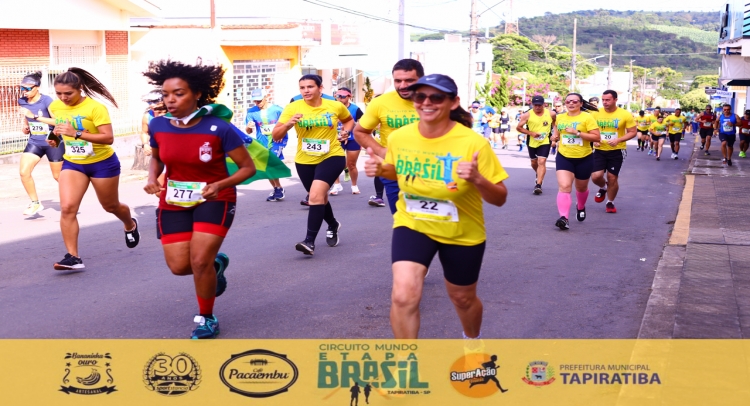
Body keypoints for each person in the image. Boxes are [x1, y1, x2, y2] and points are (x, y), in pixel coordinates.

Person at [364, 74, 508, 339]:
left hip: (462, 231)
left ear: (453, 103)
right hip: (413, 222)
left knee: (463, 298)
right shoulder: (400, 137)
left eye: (436, 97)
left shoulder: (474, 144)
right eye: (421, 96)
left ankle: (472, 342)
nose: (426, 102)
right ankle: (406, 366)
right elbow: (398, 170)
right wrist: (381, 168)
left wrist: (478, 179)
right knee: (403, 295)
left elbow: (499, 198)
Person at [143, 60, 256, 339]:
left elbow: (247, 168)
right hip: (173, 200)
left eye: (179, 93)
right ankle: (217, 265)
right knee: (179, 267)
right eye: (166, 94)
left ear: (196, 95)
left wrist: (220, 184)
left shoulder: (219, 128)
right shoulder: (158, 125)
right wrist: (151, 178)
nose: (170, 100)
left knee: (199, 262)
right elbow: (156, 157)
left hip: (215, 199)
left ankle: (206, 317)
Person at [34, 68, 140, 270]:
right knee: (67, 208)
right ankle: (73, 257)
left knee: (111, 206)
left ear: (80, 89)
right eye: (59, 93)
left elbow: (108, 138)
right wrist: (55, 138)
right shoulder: (56, 106)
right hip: (73, 162)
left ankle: (130, 224)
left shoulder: (95, 108)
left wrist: (77, 133)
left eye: (68, 94)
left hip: (102, 162)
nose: (63, 98)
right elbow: (60, 127)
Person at [273, 74, 354, 255]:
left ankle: (309, 241)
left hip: (332, 155)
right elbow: (276, 135)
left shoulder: (334, 105)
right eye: (302, 88)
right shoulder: (293, 107)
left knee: (315, 196)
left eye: (310, 87)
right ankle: (332, 224)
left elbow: (349, 120)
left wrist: (345, 132)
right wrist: (288, 125)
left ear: (320, 88)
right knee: (320, 198)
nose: (306, 91)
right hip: (304, 160)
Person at [353, 59, 424, 213]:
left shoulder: (435, 101)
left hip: (432, 169)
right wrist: (382, 152)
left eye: (409, 80)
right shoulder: (381, 102)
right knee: (401, 219)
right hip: (394, 170)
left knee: (431, 220)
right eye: (398, 81)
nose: (403, 85)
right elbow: (360, 131)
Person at [550, 93, 600, 230]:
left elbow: (596, 137)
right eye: (568, 101)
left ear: (581, 104)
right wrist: (554, 137)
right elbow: (557, 132)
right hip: (564, 156)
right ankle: (564, 218)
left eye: (574, 101)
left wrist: (577, 133)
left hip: (584, 157)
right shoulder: (560, 117)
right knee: (565, 186)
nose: (571, 103)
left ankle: (581, 206)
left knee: (581, 187)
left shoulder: (587, 117)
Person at [16, 71, 62, 216]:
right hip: (35, 141)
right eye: (22, 88)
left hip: (52, 141)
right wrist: (25, 125)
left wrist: (35, 117)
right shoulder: (22, 101)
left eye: (28, 89)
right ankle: (35, 203)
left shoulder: (47, 101)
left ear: (37, 88)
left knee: (58, 177)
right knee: (24, 172)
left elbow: (57, 122)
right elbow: (26, 116)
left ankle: (72, 197)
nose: (24, 91)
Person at [591, 90, 637, 214]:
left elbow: (633, 132)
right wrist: (594, 140)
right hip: (599, 149)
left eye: (608, 100)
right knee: (596, 176)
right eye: (603, 100)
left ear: (615, 100)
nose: (605, 102)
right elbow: (589, 129)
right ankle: (603, 187)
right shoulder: (595, 113)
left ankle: (610, 202)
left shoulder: (625, 114)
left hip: (617, 150)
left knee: (612, 177)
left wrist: (619, 140)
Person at [245, 88, 288, 202]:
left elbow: (286, 124)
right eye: (255, 101)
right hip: (262, 141)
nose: (257, 103)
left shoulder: (277, 110)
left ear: (266, 97)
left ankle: (278, 188)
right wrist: (249, 127)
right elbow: (248, 131)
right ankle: (276, 188)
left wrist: (282, 134)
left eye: (259, 100)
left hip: (278, 140)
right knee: (266, 166)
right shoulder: (251, 112)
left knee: (270, 163)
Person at [516, 95, 556, 195]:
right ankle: (538, 174)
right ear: (532, 104)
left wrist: (555, 135)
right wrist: (531, 133)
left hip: (545, 141)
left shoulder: (551, 113)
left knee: (541, 161)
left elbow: (555, 124)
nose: (537, 107)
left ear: (544, 104)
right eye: (535, 105)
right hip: (532, 141)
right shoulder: (527, 115)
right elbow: (519, 128)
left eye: (540, 105)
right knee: (534, 163)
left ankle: (538, 185)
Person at [329, 87, 364, 196]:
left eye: (342, 96)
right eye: (337, 96)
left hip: (352, 139)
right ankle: (337, 185)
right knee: (334, 164)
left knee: (351, 164)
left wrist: (350, 126)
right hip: (336, 139)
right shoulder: (332, 108)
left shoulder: (355, 109)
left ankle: (354, 185)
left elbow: (363, 124)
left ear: (349, 97)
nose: (339, 98)